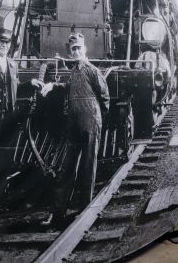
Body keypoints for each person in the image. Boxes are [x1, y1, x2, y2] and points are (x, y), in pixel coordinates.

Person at [44, 32, 110, 226]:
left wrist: (97, 120)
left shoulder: (92, 70)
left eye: (79, 48)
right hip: (73, 124)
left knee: (88, 167)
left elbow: (105, 97)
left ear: (85, 49)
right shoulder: (73, 71)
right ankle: (58, 212)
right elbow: (68, 87)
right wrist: (53, 85)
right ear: (70, 52)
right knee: (67, 167)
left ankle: (84, 210)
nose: (76, 52)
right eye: (73, 49)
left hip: (90, 123)